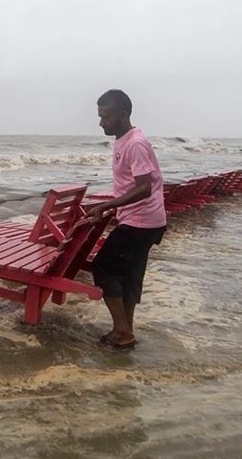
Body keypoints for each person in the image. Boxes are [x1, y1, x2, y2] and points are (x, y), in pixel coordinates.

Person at [82, 89, 167, 350]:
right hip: (147, 220)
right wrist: (108, 205)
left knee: (103, 268)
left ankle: (122, 331)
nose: (101, 123)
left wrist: (109, 205)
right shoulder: (124, 140)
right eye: (99, 117)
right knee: (129, 275)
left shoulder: (135, 143)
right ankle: (125, 329)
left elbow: (144, 187)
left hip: (140, 222)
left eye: (105, 117)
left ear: (123, 114)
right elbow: (130, 184)